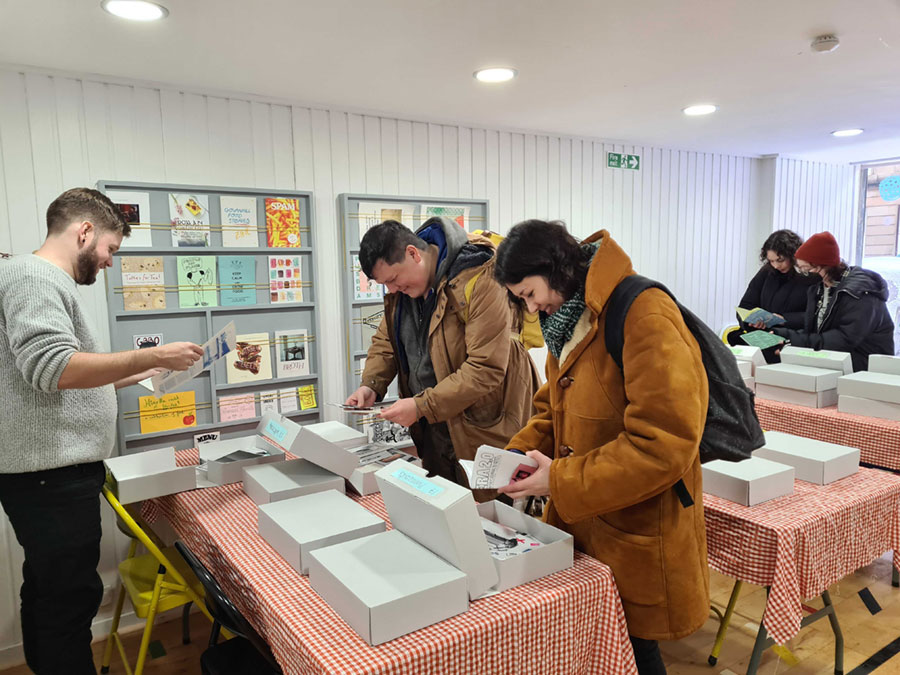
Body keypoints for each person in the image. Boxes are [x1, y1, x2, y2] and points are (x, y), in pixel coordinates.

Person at [0, 188, 203, 675]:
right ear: (84, 232)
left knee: (61, 593)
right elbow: (53, 368)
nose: (110, 261)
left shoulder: (43, 279)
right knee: (64, 601)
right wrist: (154, 355)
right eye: (111, 248)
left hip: (54, 475)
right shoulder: (32, 275)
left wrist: (138, 374)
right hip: (48, 477)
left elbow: (65, 370)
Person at [493, 220, 709, 675]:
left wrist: (561, 478)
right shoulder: (566, 319)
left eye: (530, 294)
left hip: (638, 526)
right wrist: (514, 455)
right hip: (588, 521)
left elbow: (664, 444)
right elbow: (554, 408)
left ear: (555, 269)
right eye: (522, 301)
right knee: (602, 646)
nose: (531, 310)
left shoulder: (643, 313)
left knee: (634, 648)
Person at [346, 217, 539, 491]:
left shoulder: (481, 277)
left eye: (392, 280)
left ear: (413, 254)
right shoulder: (406, 288)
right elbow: (387, 339)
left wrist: (421, 406)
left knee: (491, 513)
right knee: (444, 503)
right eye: (385, 285)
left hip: (485, 423)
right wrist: (371, 385)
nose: (392, 290)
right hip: (434, 423)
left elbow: (486, 368)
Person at [772, 231, 894, 371]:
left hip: (867, 369)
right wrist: (785, 339)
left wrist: (792, 339)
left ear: (825, 265)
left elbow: (843, 339)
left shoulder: (860, 293)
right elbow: (815, 332)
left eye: (809, 269)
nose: (806, 276)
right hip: (837, 361)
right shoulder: (820, 290)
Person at [731, 230, 818, 360]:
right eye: (771, 261)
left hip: (792, 338)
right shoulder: (767, 272)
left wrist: (784, 319)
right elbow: (745, 306)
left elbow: (817, 316)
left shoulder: (810, 276)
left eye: (780, 260)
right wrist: (751, 321)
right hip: (762, 336)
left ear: (793, 256)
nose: (776, 266)